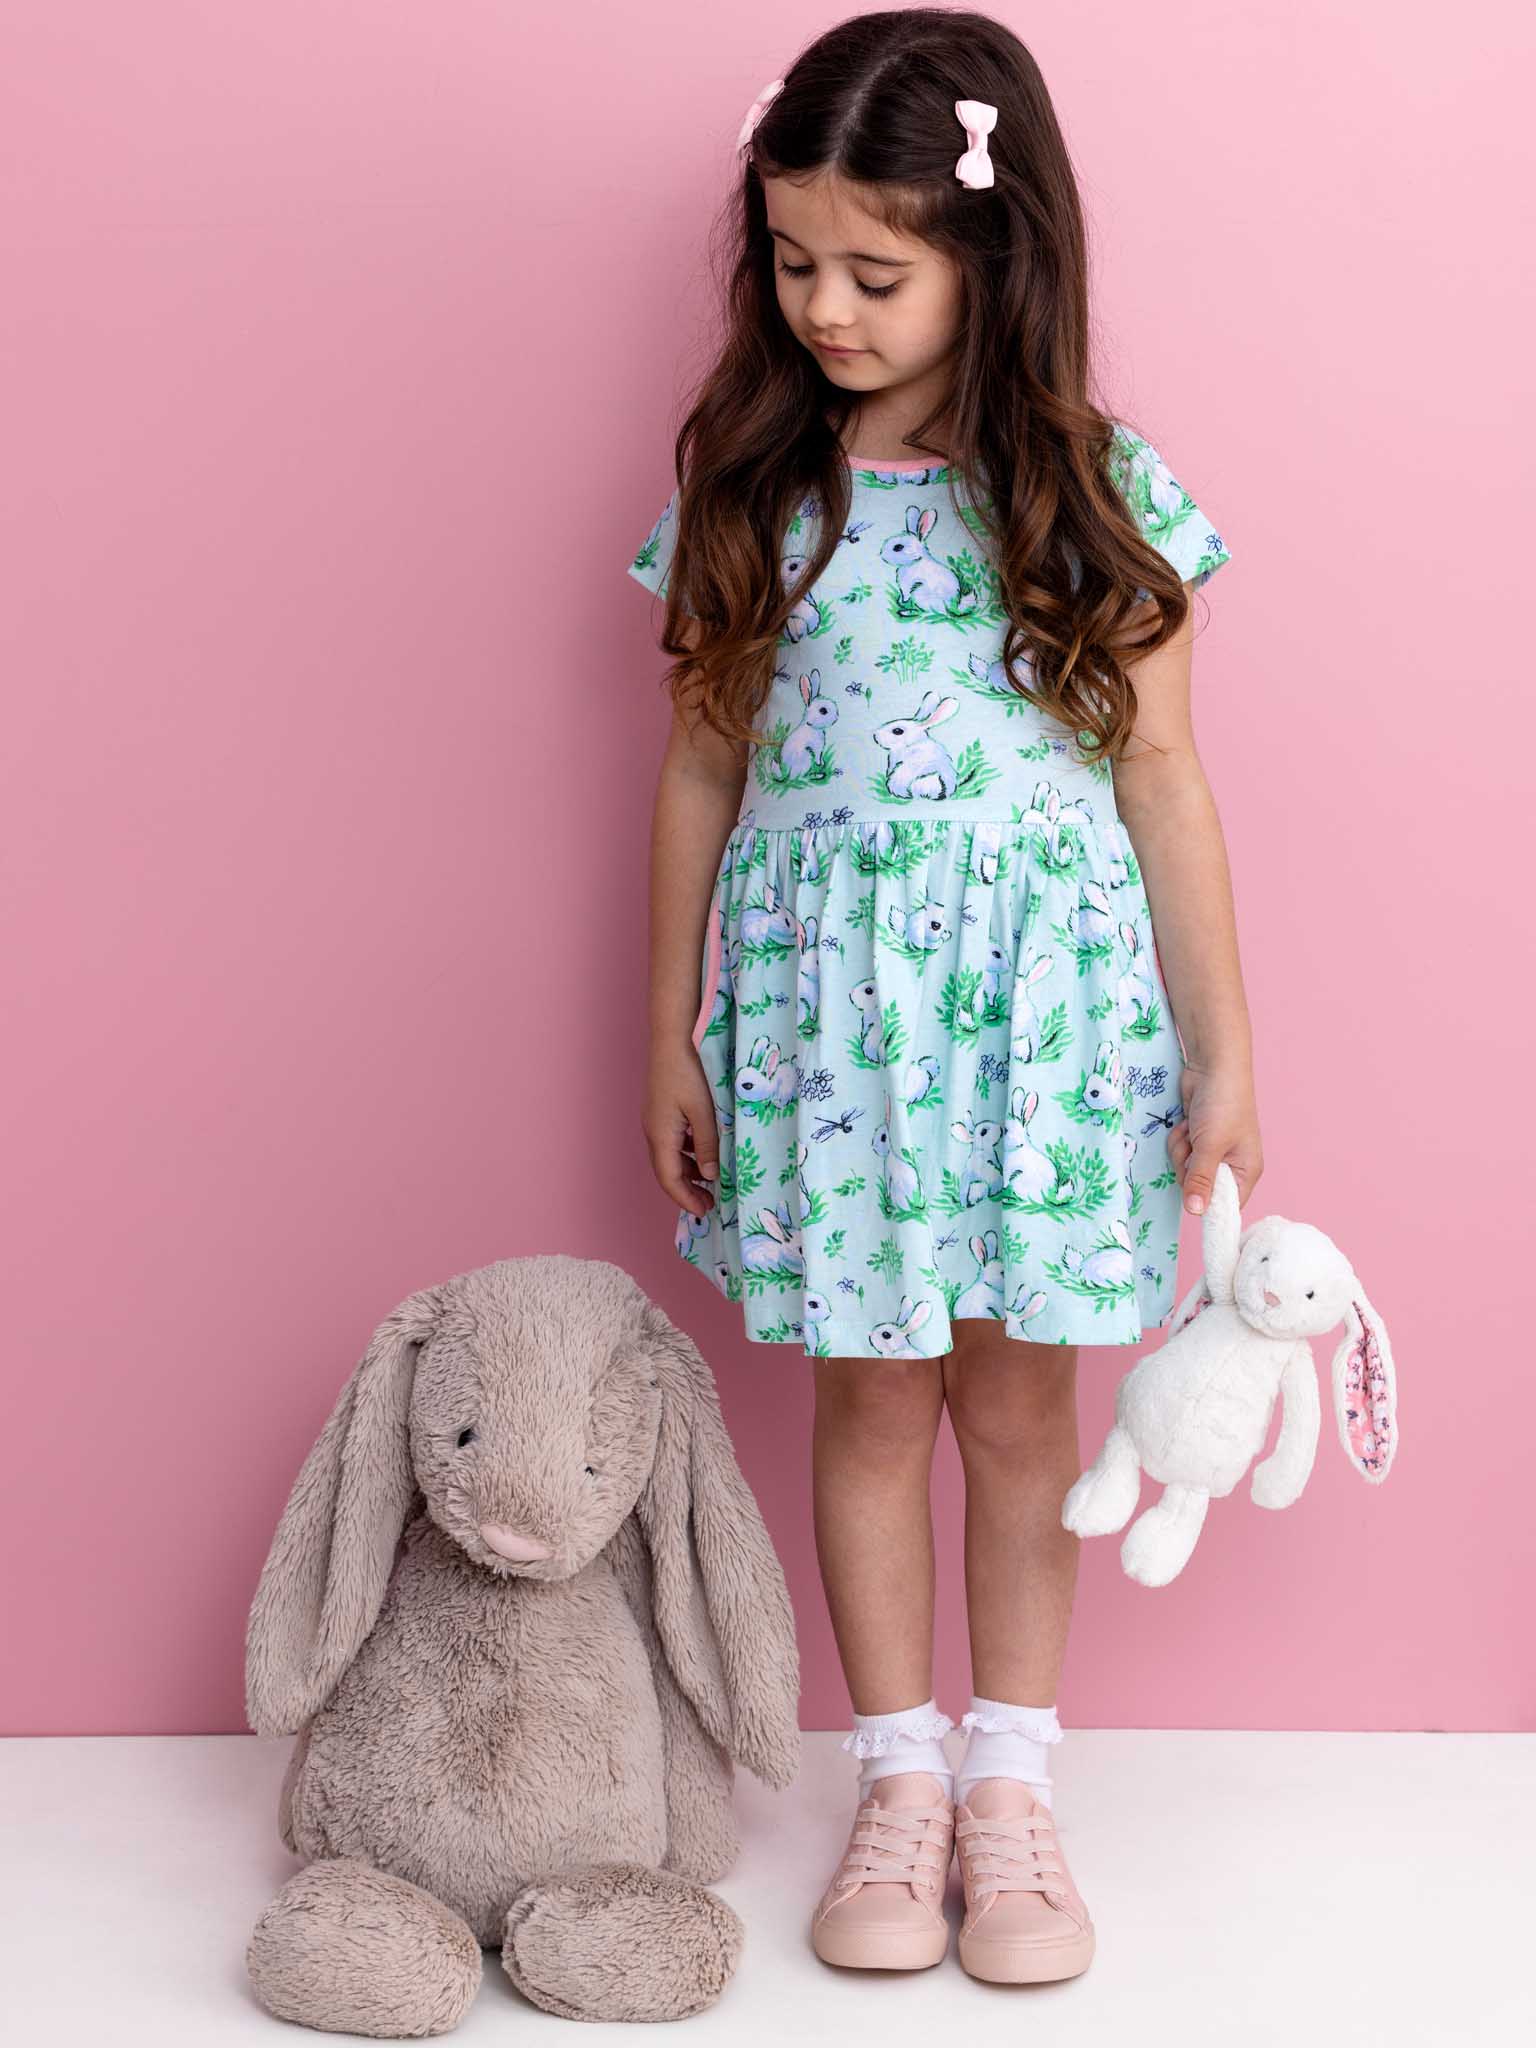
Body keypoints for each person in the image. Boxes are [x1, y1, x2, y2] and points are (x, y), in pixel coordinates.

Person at [628, 8, 1262, 1987]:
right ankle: (893, 1771)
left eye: (874, 272)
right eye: (795, 262)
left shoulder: (1095, 491)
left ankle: (1011, 1784)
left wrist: (1227, 1045)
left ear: (999, 255)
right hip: (836, 1035)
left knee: (1021, 1410)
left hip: (1044, 1036)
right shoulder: (761, 482)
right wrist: (665, 1019)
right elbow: (704, 764)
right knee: (871, 1402)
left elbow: (1163, 773)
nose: (826, 306)